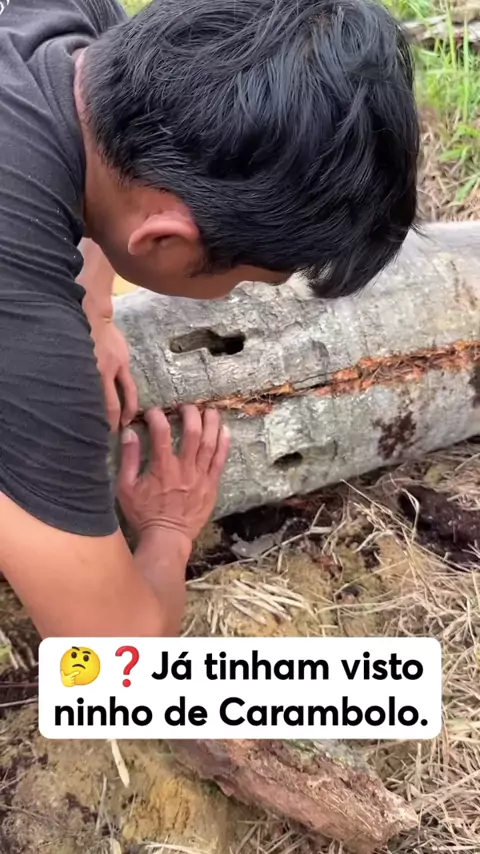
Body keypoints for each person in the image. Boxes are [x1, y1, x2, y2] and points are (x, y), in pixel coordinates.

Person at [0, 0, 419, 638]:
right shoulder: (31, 346)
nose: (236, 292)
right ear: (164, 239)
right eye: (248, 280)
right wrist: (169, 533)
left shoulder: (74, 23)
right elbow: (110, 655)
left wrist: (96, 302)